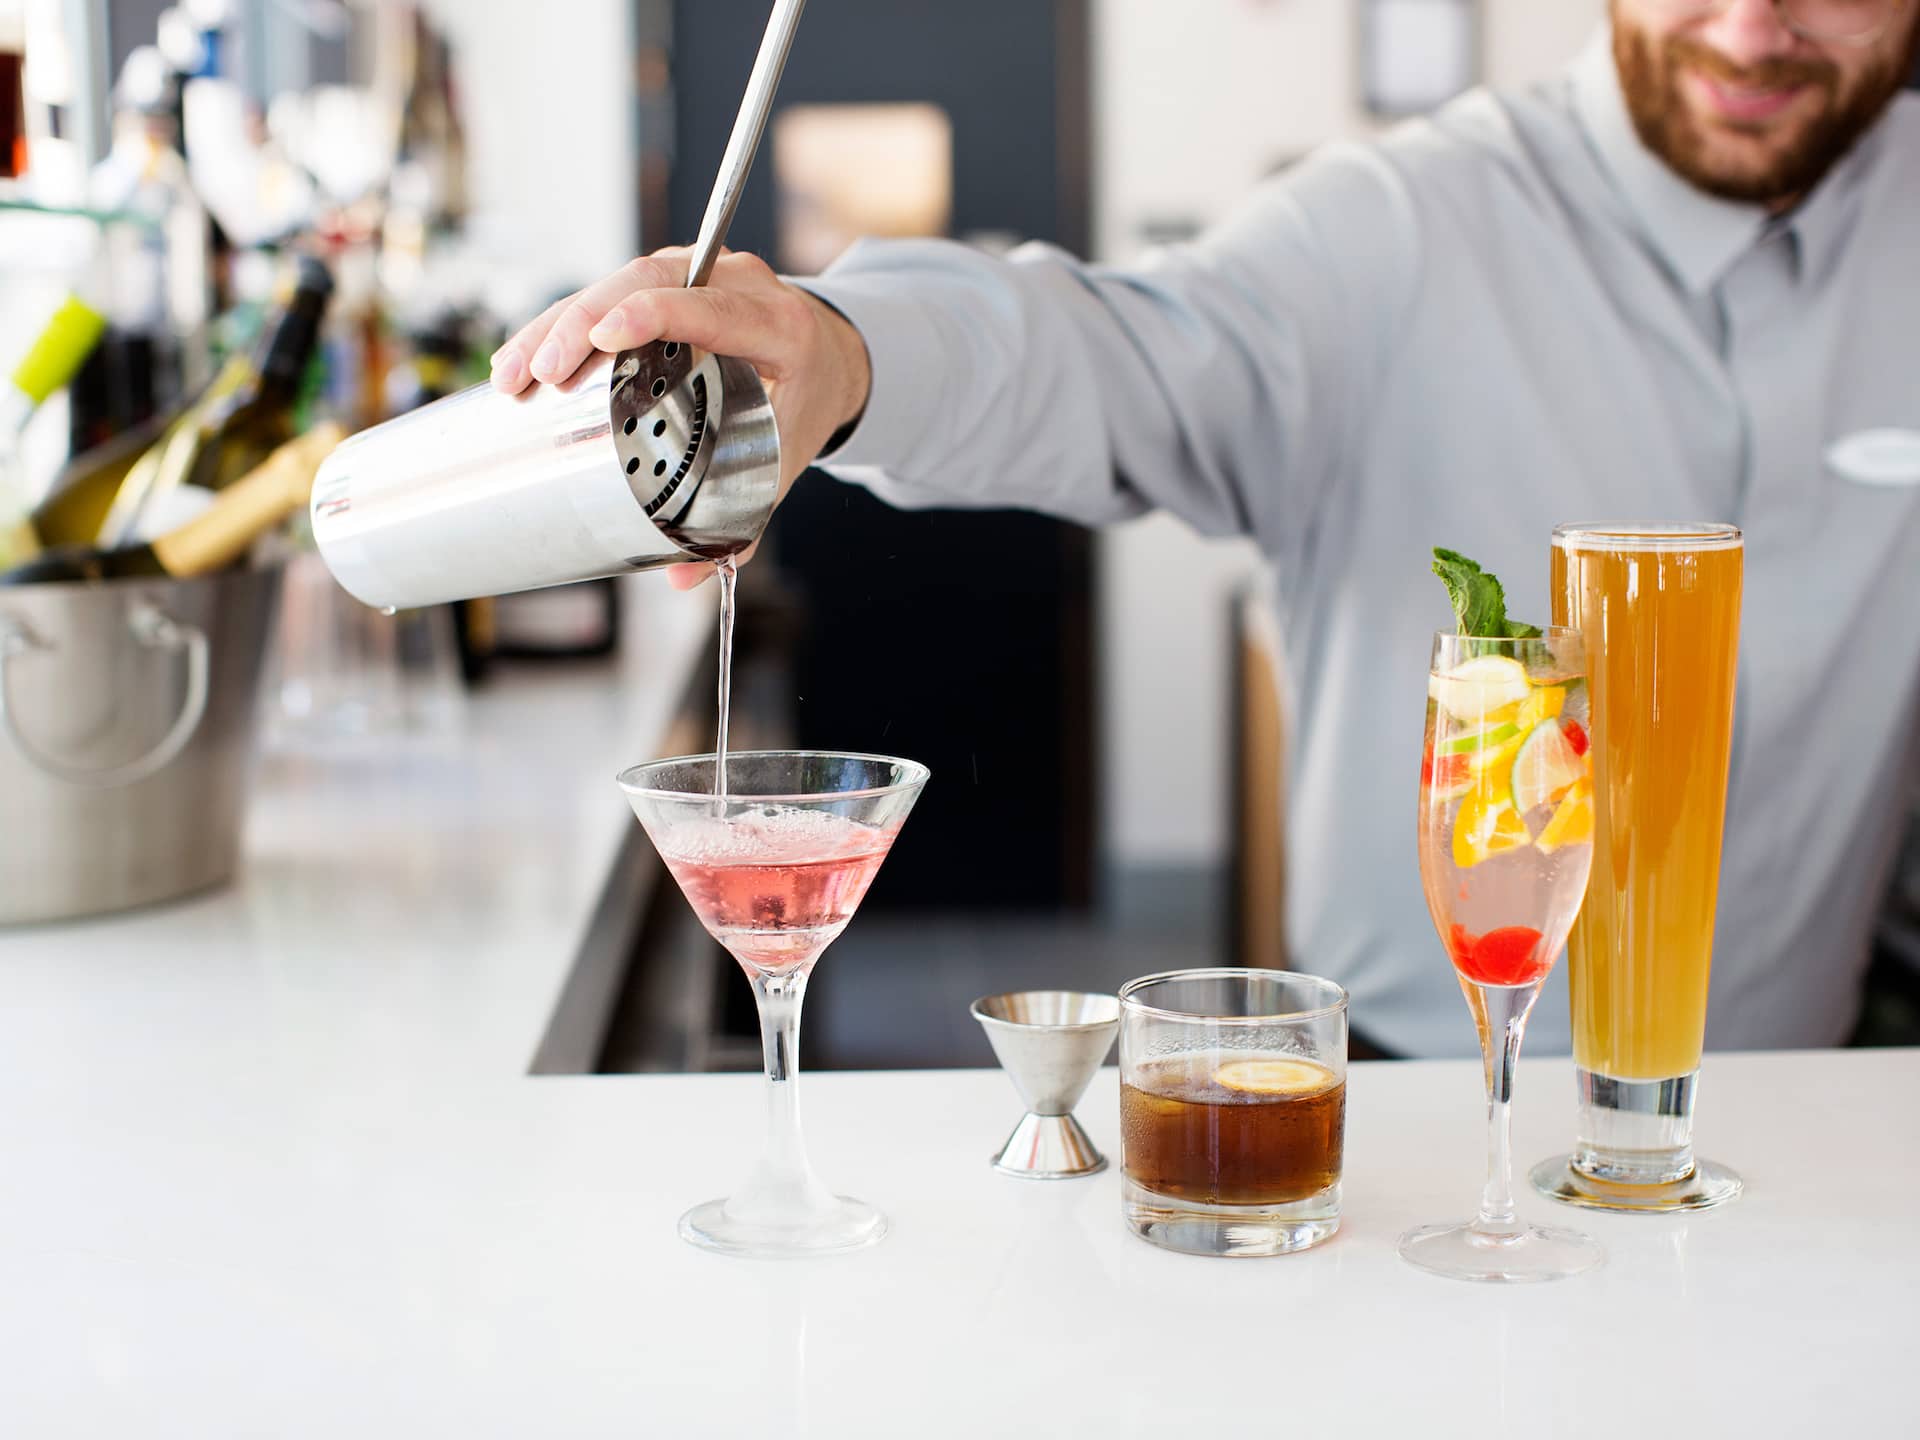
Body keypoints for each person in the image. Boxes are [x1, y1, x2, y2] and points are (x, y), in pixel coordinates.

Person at [491, 1, 1920, 1058]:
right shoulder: (1407, 224)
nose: (1754, 26)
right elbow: (1112, 356)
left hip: (1821, 1114)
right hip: (1425, 1105)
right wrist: (846, 351)